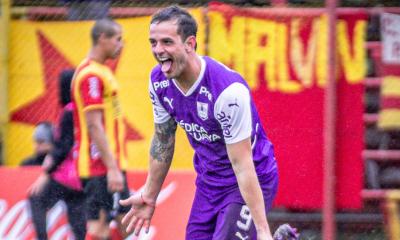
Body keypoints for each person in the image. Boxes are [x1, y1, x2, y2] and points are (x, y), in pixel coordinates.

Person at [120, 6, 279, 240]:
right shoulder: (158, 82)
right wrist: (150, 195)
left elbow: (242, 164)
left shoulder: (227, 91)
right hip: (209, 183)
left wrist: (263, 230)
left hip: (248, 179)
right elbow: (163, 139)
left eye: (167, 42)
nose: (158, 50)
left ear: (190, 43)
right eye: (153, 43)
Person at [71, 18, 130, 240]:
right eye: (117, 39)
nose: (121, 44)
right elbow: (94, 125)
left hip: (109, 163)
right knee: (100, 227)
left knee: (123, 222)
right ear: (102, 38)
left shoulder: (100, 70)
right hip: (100, 165)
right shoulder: (91, 75)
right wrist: (112, 168)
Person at [27, 69, 86, 240]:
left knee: (36, 198)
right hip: (83, 176)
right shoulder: (84, 109)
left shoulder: (69, 111)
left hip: (66, 176)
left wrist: (47, 170)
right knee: (77, 220)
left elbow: (64, 146)